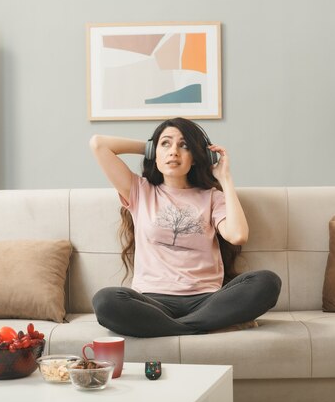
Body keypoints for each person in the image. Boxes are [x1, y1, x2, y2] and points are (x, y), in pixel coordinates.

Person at [89, 117, 281, 337]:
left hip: (207, 300)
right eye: (166, 144)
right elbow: (98, 144)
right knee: (105, 301)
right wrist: (151, 147)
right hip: (152, 301)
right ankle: (206, 326)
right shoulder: (139, 191)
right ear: (154, 152)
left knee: (267, 282)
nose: (174, 152)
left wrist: (225, 179)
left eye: (184, 145)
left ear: (197, 157)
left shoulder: (212, 197)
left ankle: (173, 328)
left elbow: (238, 235)